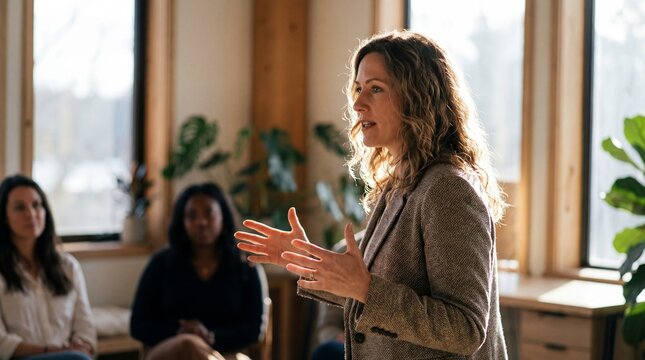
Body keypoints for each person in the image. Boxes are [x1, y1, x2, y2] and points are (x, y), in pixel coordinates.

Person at [235, 30, 508, 359]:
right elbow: (365, 289)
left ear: (418, 97)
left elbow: (465, 329)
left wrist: (365, 289)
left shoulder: (448, 189)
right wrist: (307, 263)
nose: (358, 103)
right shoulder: (401, 184)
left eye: (376, 89)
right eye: (359, 88)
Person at [130, 182, 265, 360]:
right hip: (169, 350)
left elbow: (253, 330)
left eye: (209, 213)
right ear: (182, 221)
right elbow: (138, 325)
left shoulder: (245, 265)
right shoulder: (161, 263)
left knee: (194, 347)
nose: (201, 222)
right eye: (191, 216)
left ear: (223, 216)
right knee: (188, 344)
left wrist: (211, 336)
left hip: (225, 352)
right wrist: (179, 332)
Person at [0, 175, 96, 360]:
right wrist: (51, 352)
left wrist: (80, 345)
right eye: (20, 207)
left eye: (36, 205)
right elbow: (1, 343)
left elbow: (86, 330)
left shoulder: (68, 266)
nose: (31, 213)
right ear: (4, 217)